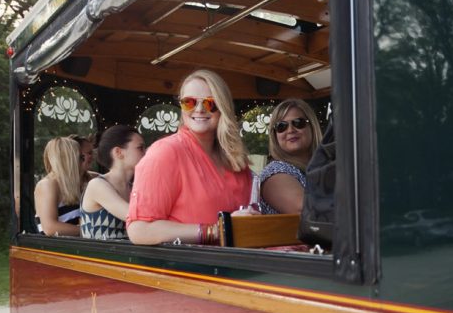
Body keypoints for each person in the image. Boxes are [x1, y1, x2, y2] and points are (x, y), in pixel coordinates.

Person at [127, 69, 254, 245]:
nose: (199, 109)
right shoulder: (165, 152)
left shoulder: (235, 158)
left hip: (234, 267)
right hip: (186, 269)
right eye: (189, 102)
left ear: (223, 107)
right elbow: (139, 230)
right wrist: (217, 230)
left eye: (210, 103)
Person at [80, 125, 146, 240]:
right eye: (140, 148)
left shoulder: (134, 187)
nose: (145, 153)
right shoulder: (97, 185)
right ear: (118, 152)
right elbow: (138, 217)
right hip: (98, 257)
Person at [260, 99, 322, 214]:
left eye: (298, 123)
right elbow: (305, 209)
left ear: (312, 126)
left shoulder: (325, 166)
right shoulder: (275, 173)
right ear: (275, 135)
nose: (290, 130)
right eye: (281, 126)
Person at [34, 137, 83, 236]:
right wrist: (88, 231)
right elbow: (50, 228)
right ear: (70, 160)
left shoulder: (69, 184)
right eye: (81, 158)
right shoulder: (48, 184)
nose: (82, 162)